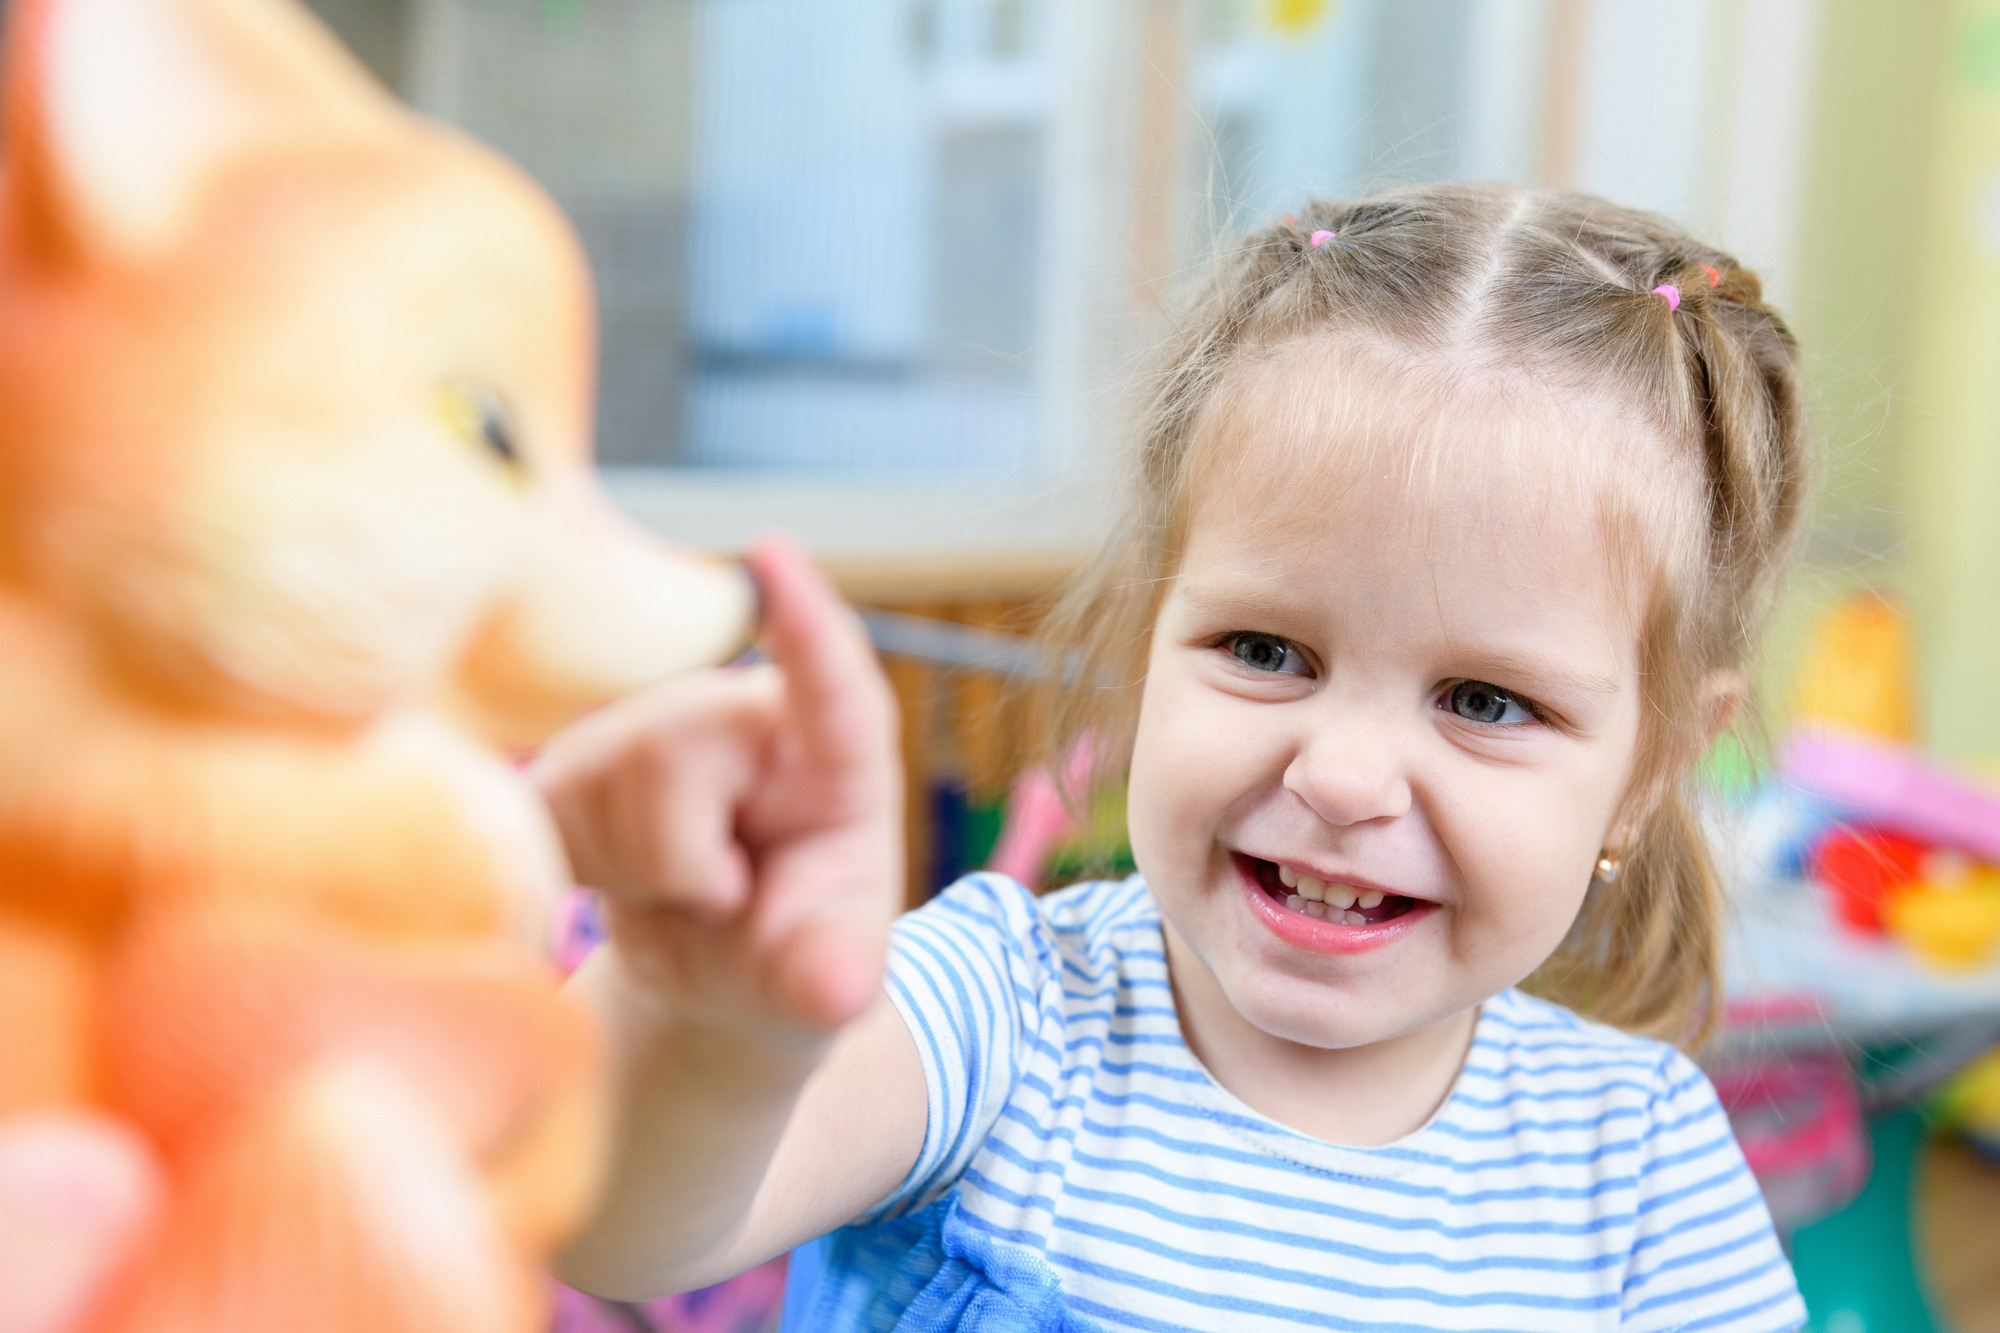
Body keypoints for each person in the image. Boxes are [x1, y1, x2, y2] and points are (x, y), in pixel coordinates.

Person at [539, 182, 1812, 1331]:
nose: (1343, 778)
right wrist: (694, 994)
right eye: (1263, 651)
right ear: (1149, 633)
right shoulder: (1001, 1014)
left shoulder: (1642, 1175)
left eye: (1482, 700)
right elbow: (612, 1225)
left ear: (1649, 770)